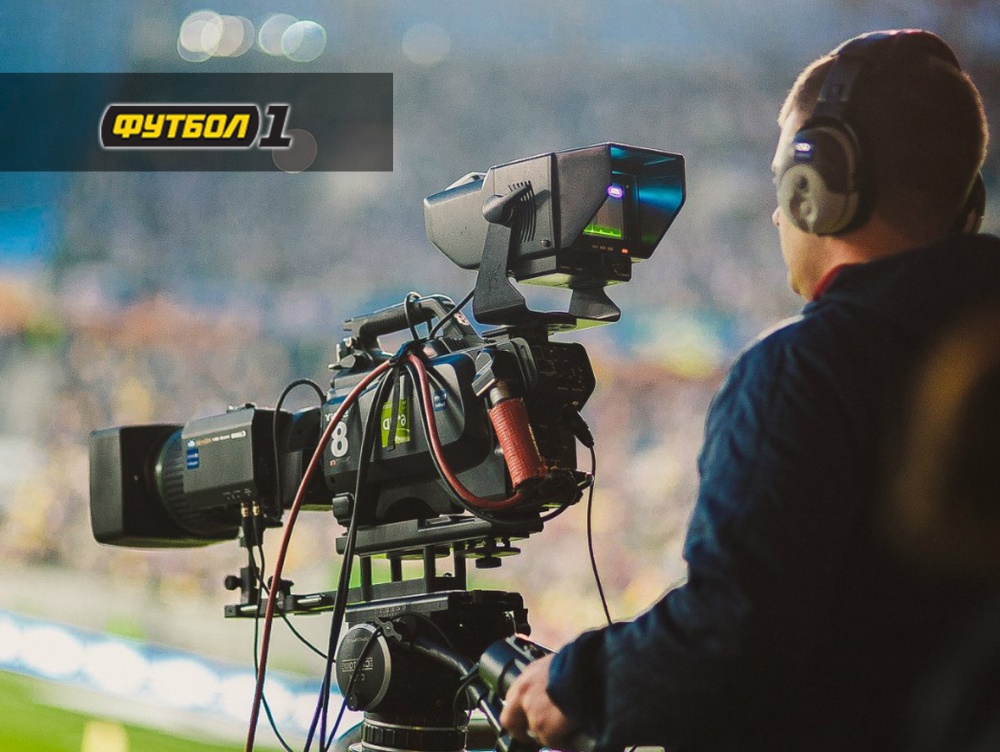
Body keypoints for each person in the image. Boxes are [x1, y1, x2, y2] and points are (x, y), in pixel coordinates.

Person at [500, 29, 1000, 752]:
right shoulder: (976, 356)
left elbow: (731, 639)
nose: (775, 213)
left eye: (781, 181)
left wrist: (578, 682)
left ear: (817, 184)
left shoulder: (806, 371)